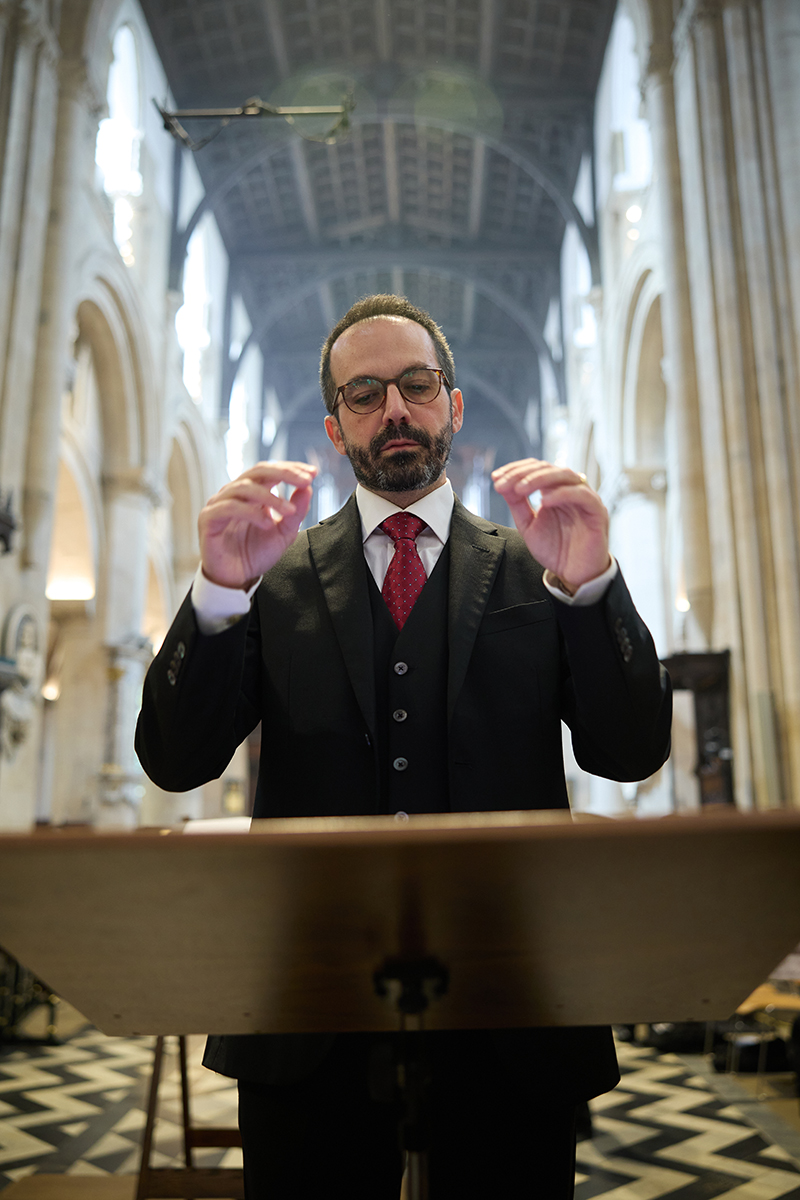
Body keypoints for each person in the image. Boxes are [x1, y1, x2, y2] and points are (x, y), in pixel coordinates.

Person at [136, 294, 671, 1199]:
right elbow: (175, 760)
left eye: (416, 385)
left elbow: (629, 751)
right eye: (365, 392)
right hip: (309, 1012)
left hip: (511, 1002)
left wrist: (591, 590)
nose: (395, 410)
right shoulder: (277, 575)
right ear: (335, 424)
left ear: (453, 405)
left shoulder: (536, 565)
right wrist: (219, 597)